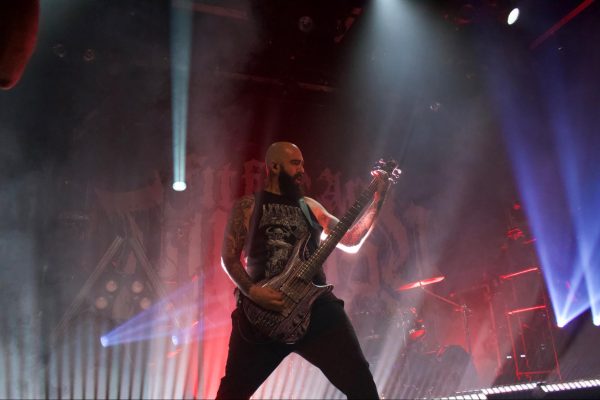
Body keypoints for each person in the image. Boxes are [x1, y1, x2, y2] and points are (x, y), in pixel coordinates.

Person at [216, 142, 391, 399]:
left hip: (316, 308)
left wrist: (378, 199)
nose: (302, 170)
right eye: (295, 163)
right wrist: (254, 292)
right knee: (232, 392)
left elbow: (351, 240)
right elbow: (228, 258)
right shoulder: (248, 205)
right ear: (274, 166)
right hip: (262, 312)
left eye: (302, 164)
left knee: (361, 384)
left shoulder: (310, 205)